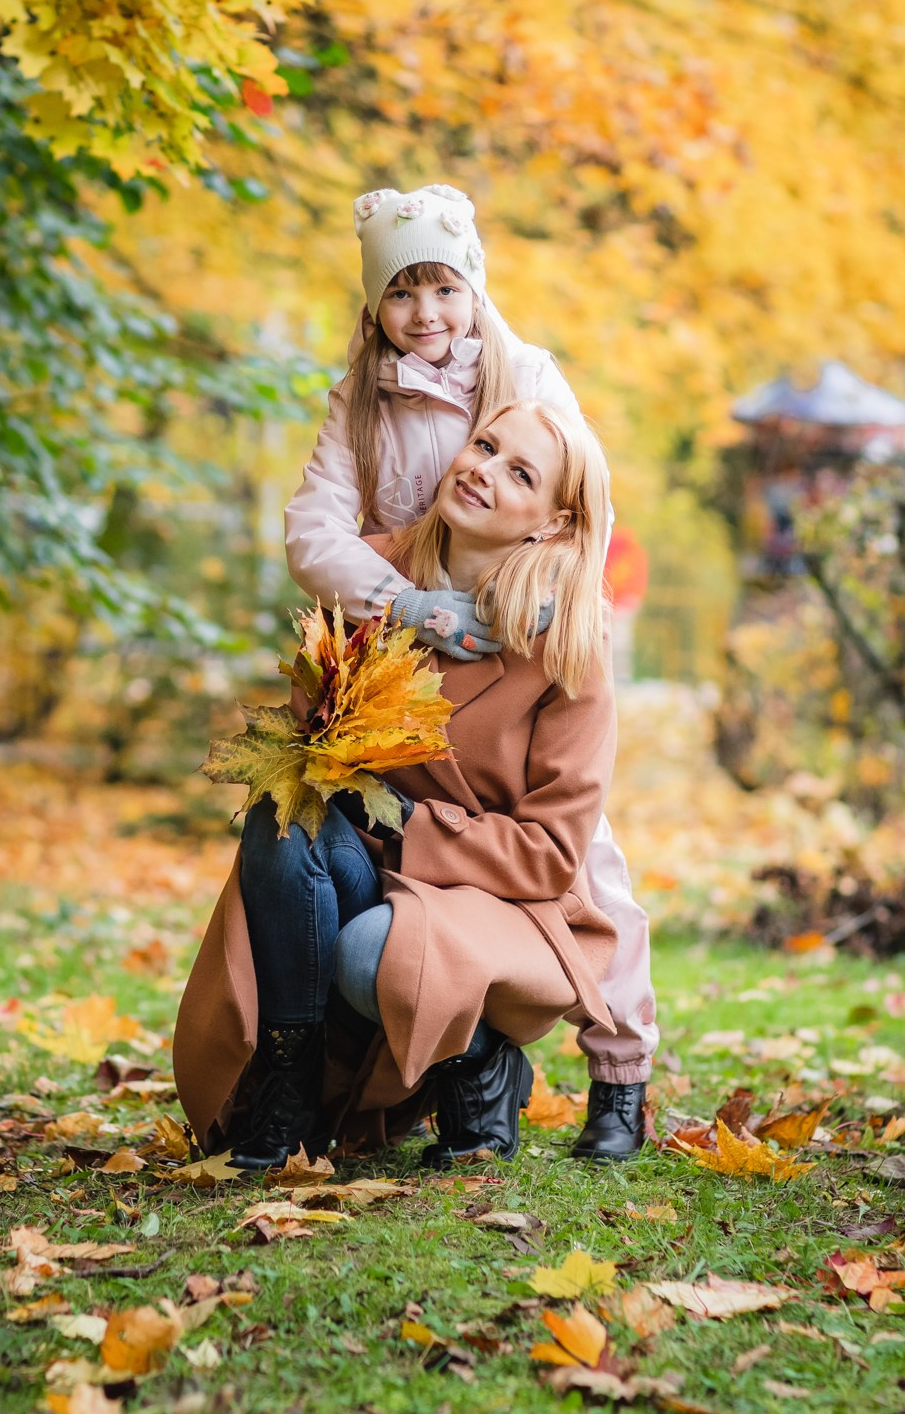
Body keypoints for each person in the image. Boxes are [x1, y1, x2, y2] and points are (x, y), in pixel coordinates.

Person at [279, 183, 656, 1159]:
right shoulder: (358, 396)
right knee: (355, 839)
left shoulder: (521, 370)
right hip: (410, 621)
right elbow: (312, 528)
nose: (424, 316)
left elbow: (571, 480)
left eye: (443, 290)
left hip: (507, 631)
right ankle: (389, 1060)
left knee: (586, 870)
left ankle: (619, 1067)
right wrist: (400, 599)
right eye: (400, 297)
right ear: (373, 309)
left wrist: (547, 593)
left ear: (473, 287)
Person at [177, 400, 620, 1169]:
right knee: (283, 818)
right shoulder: (372, 573)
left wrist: (410, 823)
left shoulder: (567, 642)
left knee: (370, 951)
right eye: (483, 445)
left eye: (519, 473)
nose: (482, 468)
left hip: (488, 901)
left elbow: (550, 855)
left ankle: (480, 1064)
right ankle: (289, 1091)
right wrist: (394, 626)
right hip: (356, 868)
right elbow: (314, 733)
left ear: (549, 522)